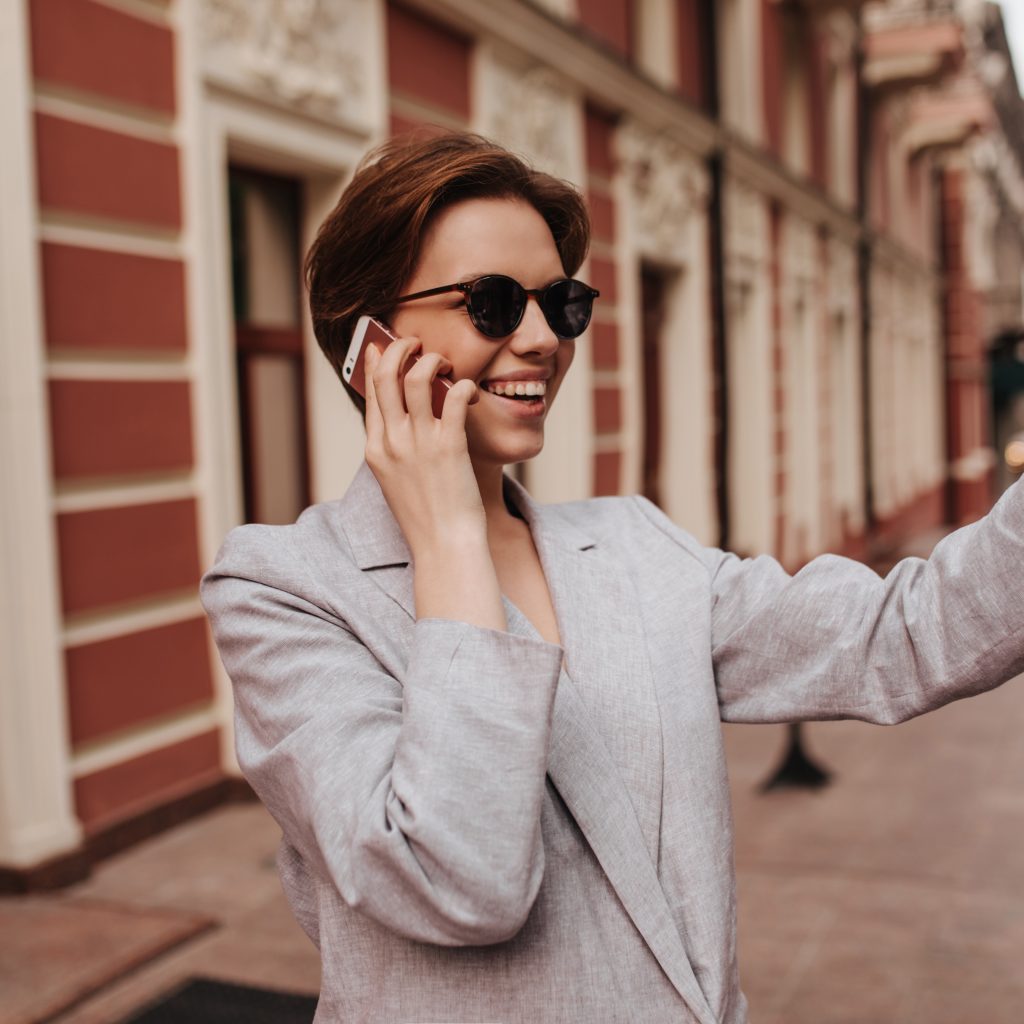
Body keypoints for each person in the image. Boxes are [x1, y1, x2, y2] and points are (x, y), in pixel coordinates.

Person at [201, 131, 1024, 1024]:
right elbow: (456, 882)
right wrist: (448, 540)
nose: (542, 338)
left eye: (561, 303)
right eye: (490, 303)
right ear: (371, 345)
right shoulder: (281, 590)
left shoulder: (633, 545)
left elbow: (908, 638)